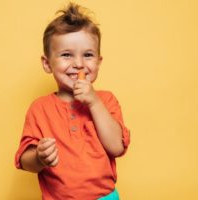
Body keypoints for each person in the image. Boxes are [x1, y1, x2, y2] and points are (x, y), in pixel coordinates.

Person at [14, 3, 130, 200]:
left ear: (98, 62)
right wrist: (39, 157)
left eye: (88, 55)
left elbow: (117, 147)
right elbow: (25, 161)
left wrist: (93, 102)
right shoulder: (40, 108)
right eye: (66, 55)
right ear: (47, 63)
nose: (78, 64)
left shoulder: (106, 100)